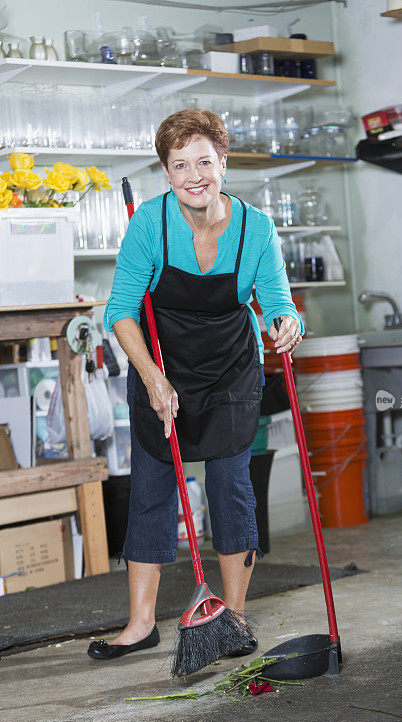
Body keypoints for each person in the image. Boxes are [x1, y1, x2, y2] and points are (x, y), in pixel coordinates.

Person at [88, 108, 303, 661]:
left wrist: (287, 325)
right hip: (160, 363)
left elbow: (279, 303)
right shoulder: (150, 224)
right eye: (180, 165)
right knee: (152, 491)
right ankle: (140, 623)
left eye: (204, 161)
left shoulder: (255, 228)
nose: (194, 175)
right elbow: (121, 310)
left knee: (232, 489)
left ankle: (232, 617)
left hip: (231, 367)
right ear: (166, 172)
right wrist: (153, 377)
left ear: (223, 164)